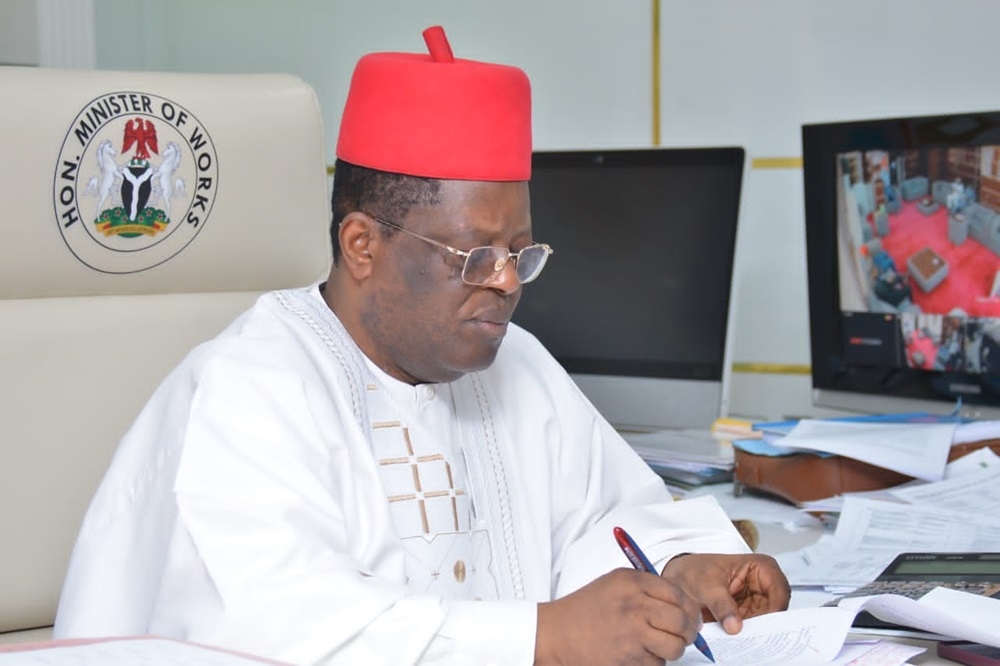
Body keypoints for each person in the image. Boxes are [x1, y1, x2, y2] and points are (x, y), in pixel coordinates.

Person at [54, 25, 789, 665]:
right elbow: (274, 633)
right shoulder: (249, 387)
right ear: (362, 244)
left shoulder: (518, 364)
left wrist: (684, 572)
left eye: (521, 253)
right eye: (472, 256)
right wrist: (543, 640)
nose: (505, 283)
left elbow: (601, 525)